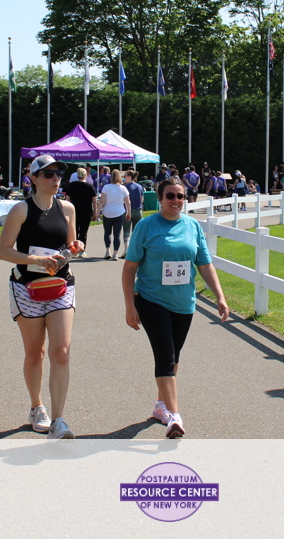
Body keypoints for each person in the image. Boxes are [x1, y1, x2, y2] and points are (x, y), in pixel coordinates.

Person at [121, 177, 229, 438]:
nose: (176, 200)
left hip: (183, 303)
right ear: (160, 198)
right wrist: (129, 306)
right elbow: (129, 268)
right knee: (165, 357)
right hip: (151, 300)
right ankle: (175, 417)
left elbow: (204, 264)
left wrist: (220, 296)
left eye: (180, 196)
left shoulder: (192, 226)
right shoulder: (146, 226)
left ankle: (161, 406)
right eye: (170, 196)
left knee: (174, 356)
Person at [0, 155, 83, 439]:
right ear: (33, 178)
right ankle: (36, 407)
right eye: (48, 174)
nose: (55, 178)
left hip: (60, 285)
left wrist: (74, 248)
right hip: (27, 288)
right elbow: (3, 251)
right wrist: (34, 259)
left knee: (61, 352)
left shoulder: (67, 208)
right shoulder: (21, 210)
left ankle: (59, 420)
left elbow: (70, 245)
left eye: (59, 174)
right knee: (36, 352)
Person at [98, 169, 131, 261]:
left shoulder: (106, 187)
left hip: (107, 212)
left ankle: (107, 251)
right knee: (117, 234)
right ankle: (115, 253)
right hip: (119, 212)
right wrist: (128, 213)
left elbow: (102, 201)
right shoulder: (123, 188)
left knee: (107, 233)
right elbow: (128, 202)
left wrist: (98, 212)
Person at [65, 168, 97, 257]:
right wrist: (95, 212)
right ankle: (82, 251)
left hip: (74, 211)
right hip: (86, 211)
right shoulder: (90, 186)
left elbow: (67, 198)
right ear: (85, 175)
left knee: (74, 230)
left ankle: (73, 249)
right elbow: (94, 201)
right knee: (83, 232)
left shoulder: (72, 185)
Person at [123, 170, 145, 257]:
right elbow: (142, 200)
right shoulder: (139, 186)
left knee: (126, 231)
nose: (124, 178)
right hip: (138, 210)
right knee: (136, 232)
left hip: (128, 210)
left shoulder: (125, 187)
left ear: (129, 177)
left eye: (125, 176)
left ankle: (126, 248)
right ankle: (135, 250)